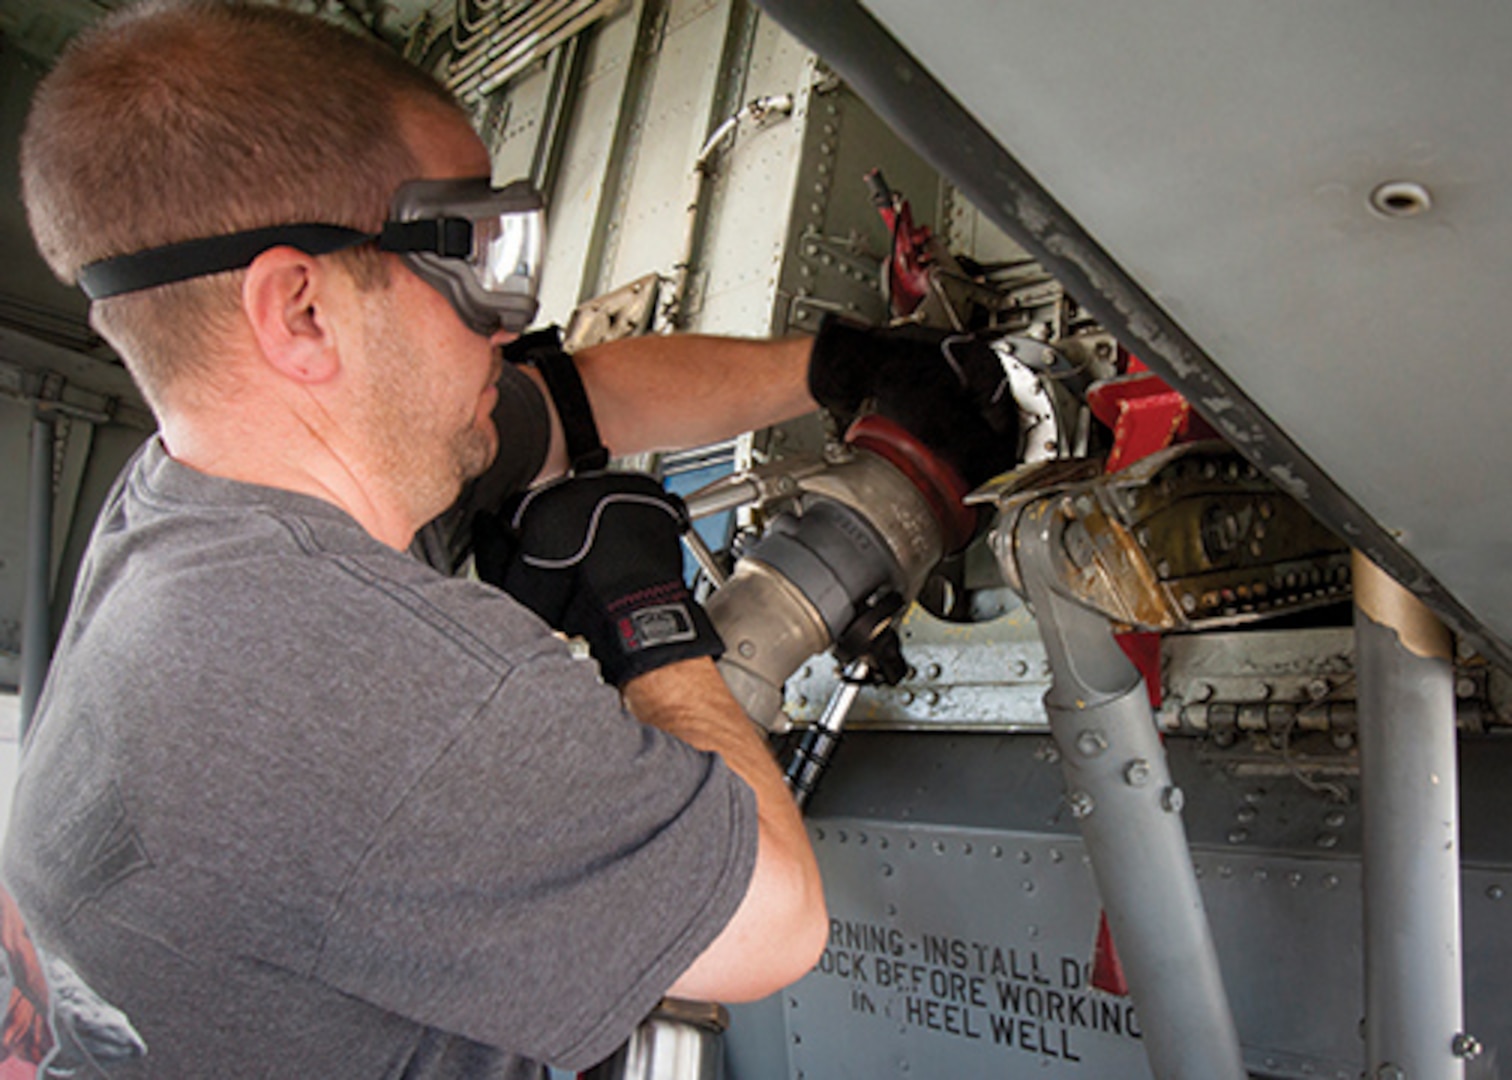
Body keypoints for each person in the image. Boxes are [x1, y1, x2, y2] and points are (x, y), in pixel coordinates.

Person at [3, 2, 1019, 1077]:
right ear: (299, 310)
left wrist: (841, 369)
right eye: (477, 253)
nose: (506, 314)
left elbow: (580, 399)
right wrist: (652, 628)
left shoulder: (190, 508)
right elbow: (774, 924)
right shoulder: (343, 679)